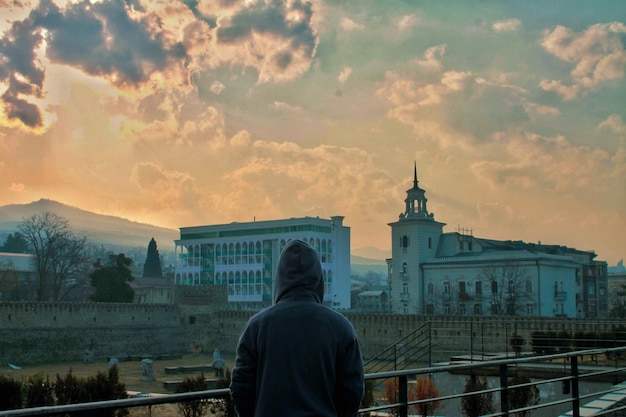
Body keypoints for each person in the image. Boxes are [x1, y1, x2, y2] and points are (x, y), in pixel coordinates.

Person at [230, 239, 364, 417]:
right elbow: (352, 391)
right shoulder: (341, 328)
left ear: (280, 278)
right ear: (318, 278)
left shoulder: (256, 327)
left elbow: (241, 388)